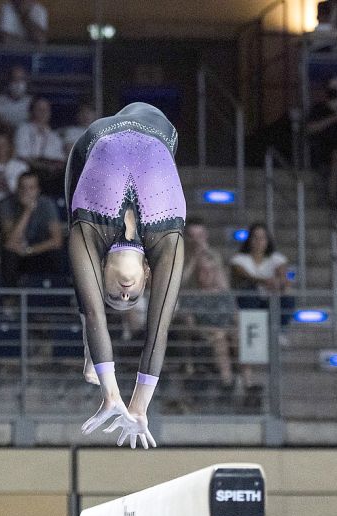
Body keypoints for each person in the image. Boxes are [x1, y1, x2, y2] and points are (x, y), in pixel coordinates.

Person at [66, 102, 185, 449]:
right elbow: (157, 329)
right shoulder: (168, 242)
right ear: (147, 275)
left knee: (69, 220)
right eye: (131, 298)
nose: (124, 293)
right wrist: (139, 407)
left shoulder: (89, 231)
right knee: (96, 310)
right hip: (162, 131)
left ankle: (90, 353)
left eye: (116, 295)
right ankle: (92, 354)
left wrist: (111, 393)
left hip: (95, 138)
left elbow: (93, 313)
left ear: (103, 270)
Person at [178, 248, 240, 408]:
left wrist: (230, 330)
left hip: (228, 335)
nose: (207, 274)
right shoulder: (191, 296)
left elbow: (236, 319)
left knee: (237, 337)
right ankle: (227, 383)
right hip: (203, 337)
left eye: (211, 270)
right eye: (203, 271)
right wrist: (210, 331)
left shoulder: (225, 296)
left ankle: (246, 382)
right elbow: (190, 325)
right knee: (219, 338)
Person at [0, 170, 63, 286]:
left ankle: (55, 296)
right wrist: (27, 211)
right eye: (23, 188)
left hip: (38, 250)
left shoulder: (46, 204)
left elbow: (57, 241)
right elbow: (10, 242)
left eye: (31, 188)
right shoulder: (7, 204)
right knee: (8, 254)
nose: (26, 192)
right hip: (17, 253)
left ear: (38, 190)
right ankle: (9, 298)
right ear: (17, 189)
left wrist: (29, 250)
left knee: (57, 255)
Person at [305, 76, 337, 205]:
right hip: (326, 147)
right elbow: (310, 129)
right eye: (332, 87)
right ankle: (333, 197)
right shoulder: (319, 108)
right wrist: (334, 117)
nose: (335, 90)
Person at [14, 97, 65, 195]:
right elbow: (22, 156)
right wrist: (42, 165)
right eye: (39, 109)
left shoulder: (54, 135)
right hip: (30, 169)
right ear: (32, 111)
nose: (43, 112)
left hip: (50, 173)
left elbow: (59, 160)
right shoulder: (23, 129)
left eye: (46, 110)